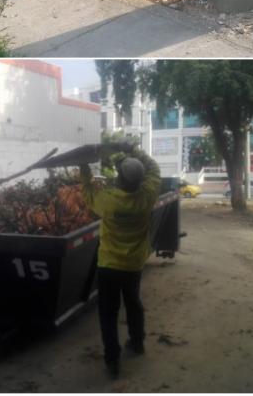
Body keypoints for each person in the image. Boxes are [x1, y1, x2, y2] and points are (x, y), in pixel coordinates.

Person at [80, 148, 161, 379]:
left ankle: (112, 360)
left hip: (108, 266)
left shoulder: (108, 201)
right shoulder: (147, 196)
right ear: (139, 179)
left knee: (108, 313)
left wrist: (83, 166)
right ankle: (137, 342)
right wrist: (134, 150)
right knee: (134, 303)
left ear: (120, 179)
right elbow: (154, 168)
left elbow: (87, 192)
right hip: (133, 266)